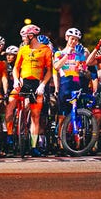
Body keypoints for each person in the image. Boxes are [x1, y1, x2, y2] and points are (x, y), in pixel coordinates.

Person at [11, 24, 52, 157]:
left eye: (24, 37)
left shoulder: (45, 49)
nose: (23, 40)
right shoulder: (22, 49)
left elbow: (49, 71)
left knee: (35, 117)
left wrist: (43, 85)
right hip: (23, 82)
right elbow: (16, 68)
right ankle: (12, 136)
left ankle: (33, 146)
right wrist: (16, 80)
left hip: (37, 83)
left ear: (31, 36)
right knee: (12, 104)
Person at [53, 28, 88, 155]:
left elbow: (84, 70)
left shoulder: (80, 54)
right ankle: (61, 144)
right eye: (72, 39)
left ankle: (77, 142)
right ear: (67, 38)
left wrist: (82, 67)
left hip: (77, 84)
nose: (74, 42)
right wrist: (68, 54)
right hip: (65, 85)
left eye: (76, 40)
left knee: (76, 114)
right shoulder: (59, 53)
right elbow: (56, 67)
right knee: (62, 116)